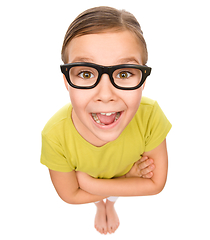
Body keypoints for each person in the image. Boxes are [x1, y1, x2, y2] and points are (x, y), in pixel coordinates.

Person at [40, 6, 172, 235]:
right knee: (109, 193)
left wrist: (89, 184)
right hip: (126, 175)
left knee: (112, 195)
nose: (105, 94)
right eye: (86, 73)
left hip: (110, 177)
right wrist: (129, 179)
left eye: (123, 73)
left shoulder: (150, 116)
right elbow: (70, 196)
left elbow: (155, 185)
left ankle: (109, 203)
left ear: (142, 80)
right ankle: (101, 204)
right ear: (66, 81)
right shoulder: (55, 136)